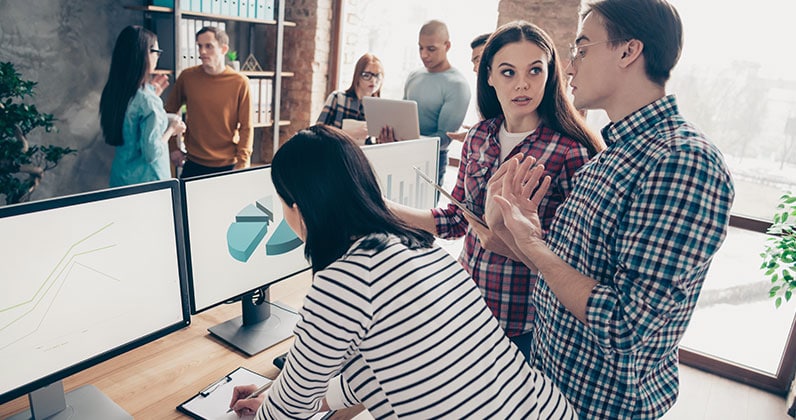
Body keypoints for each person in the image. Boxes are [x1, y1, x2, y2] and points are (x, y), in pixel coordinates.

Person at [487, 0, 735, 418]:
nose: (569, 68)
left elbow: (625, 324)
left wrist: (534, 245)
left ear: (627, 51)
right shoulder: (612, 155)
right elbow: (574, 270)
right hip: (550, 386)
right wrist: (521, 234)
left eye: (581, 50)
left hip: (600, 406)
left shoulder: (683, 161)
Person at [227, 124, 576, 420]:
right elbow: (390, 366)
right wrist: (272, 392)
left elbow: (290, 410)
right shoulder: (421, 247)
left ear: (299, 207)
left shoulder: (343, 280)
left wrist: (266, 409)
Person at [387, 21, 604, 362]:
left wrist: (514, 241)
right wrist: (385, 207)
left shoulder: (569, 152)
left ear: (550, 75)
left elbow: (578, 261)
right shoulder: (478, 136)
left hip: (527, 324)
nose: (522, 84)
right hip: (466, 304)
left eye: (535, 70)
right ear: (488, 76)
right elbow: (456, 221)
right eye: (507, 72)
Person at [100, 25, 186, 187]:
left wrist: (166, 116)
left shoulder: (114, 91)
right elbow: (151, 153)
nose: (158, 57)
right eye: (156, 52)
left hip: (121, 179)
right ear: (144, 54)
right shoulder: (147, 100)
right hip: (148, 184)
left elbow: (132, 123)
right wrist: (171, 130)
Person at [165, 26, 252, 178]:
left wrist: (242, 163)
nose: (202, 52)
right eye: (199, 46)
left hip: (228, 165)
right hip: (193, 163)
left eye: (209, 46)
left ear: (224, 49)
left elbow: (246, 126)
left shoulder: (240, 82)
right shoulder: (187, 77)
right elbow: (169, 112)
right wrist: (173, 148)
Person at [402, 20, 470, 191]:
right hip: (403, 153)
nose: (424, 55)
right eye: (420, 48)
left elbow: (446, 138)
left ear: (447, 46)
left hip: (431, 162)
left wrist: (410, 142)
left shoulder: (457, 84)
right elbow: (402, 115)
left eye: (431, 49)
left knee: (423, 215)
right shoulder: (413, 76)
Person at [316, 53, 384, 145]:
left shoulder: (379, 109)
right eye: (367, 75)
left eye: (378, 76)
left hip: (363, 157)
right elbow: (316, 133)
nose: (373, 80)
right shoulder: (338, 98)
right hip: (335, 156)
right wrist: (348, 134)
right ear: (357, 76)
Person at [447, 32, 492, 143]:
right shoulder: (486, 93)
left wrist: (476, 134)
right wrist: (475, 133)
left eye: (478, 60)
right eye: (474, 62)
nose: (475, 68)